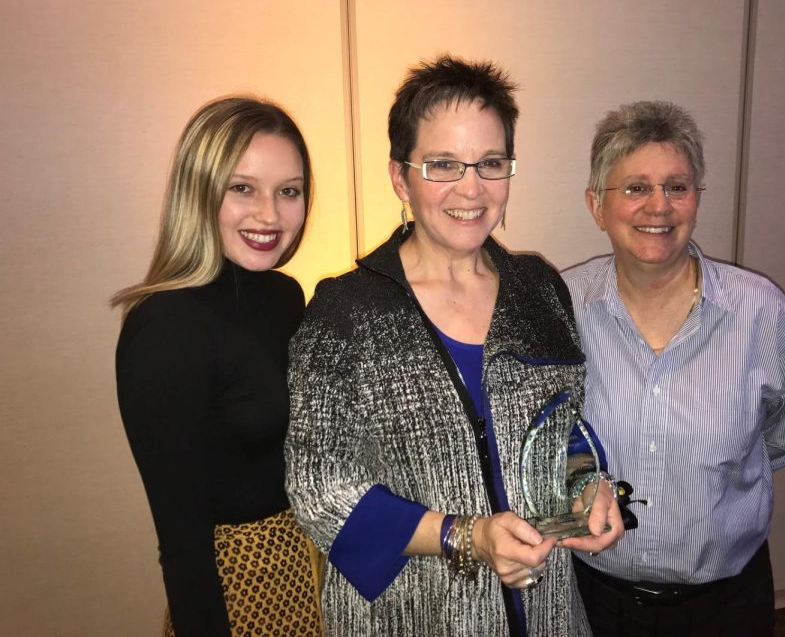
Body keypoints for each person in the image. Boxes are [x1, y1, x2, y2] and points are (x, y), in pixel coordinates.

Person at [284, 55, 623, 636]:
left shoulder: (538, 291)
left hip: (545, 606)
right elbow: (319, 489)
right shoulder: (347, 313)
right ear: (400, 177)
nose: (471, 188)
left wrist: (590, 486)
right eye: (443, 164)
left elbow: (565, 429)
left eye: (491, 164)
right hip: (416, 613)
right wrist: (466, 535)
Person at [563, 100, 785, 636]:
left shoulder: (761, 312)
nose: (658, 206)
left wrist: (723, 472)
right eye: (635, 187)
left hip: (727, 606)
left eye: (677, 187)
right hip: (595, 600)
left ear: (696, 200)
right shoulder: (561, 309)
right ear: (596, 206)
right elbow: (543, 434)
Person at [113, 97, 323, 636]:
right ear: (200, 191)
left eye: (289, 191)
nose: (270, 214)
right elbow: (181, 539)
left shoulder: (285, 295)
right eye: (242, 188)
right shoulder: (165, 326)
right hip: (234, 593)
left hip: (310, 569)